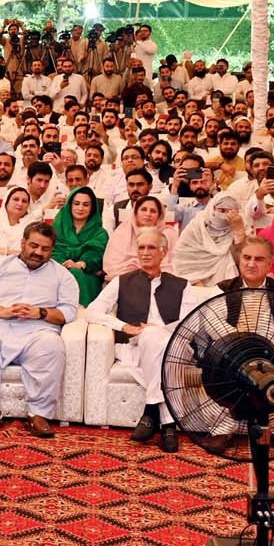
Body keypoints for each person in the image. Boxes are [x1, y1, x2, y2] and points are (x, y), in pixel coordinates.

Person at [0, 221, 82, 438]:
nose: (38, 252)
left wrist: (40, 313)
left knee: (52, 346)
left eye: (45, 249)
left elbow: (69, 312)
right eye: (33, 245)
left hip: (36, 332)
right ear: (23, 243)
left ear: (52, 250)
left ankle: (38, 414)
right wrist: (2, 311)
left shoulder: (63, 276)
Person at [87, 227, 189, 451]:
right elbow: (92, 311)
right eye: (141, 247)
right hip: (133, 347)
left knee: (155, 336)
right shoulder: (122, 281)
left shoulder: (182, 284)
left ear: (164, 252)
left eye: (151, 247)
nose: (145, 252)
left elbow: (191, 322)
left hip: (172, 346)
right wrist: (124, 326)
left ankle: (152, 410)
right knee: (151, 338)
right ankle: (168, 424)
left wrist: (160, 329)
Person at [52, 187, 109, 303]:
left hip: (87, 273)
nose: (80, 208)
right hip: (56, 269)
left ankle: (83, 313)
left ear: (92, 208)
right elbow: (53, 250)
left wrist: (81, 263)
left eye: (86, 205)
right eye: (76, 204)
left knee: (75, 272)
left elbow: (96, 253)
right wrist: (65, 264)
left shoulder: (100, 232)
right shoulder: (56, 227)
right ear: (69, 205)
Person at [174, 194, 244, 285]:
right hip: (195, 284)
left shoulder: (239, 225)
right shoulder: (197, 225)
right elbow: (182, 259)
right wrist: (197, 285)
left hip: (227, 286)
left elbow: (244, 261)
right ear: (212, 208)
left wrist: (239, 232)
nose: (226, 215)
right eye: (222, 210)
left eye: (231, 212)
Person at [102, 194, 179, 278]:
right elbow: (112, 265)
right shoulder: (124, 230)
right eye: (144, 210)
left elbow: (174, 265)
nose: (148, 214)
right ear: (135, 212)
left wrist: (142, 270)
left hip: (160, 279)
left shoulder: (168, 234)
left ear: (159, 216)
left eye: (153, 211)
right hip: (123, 278)